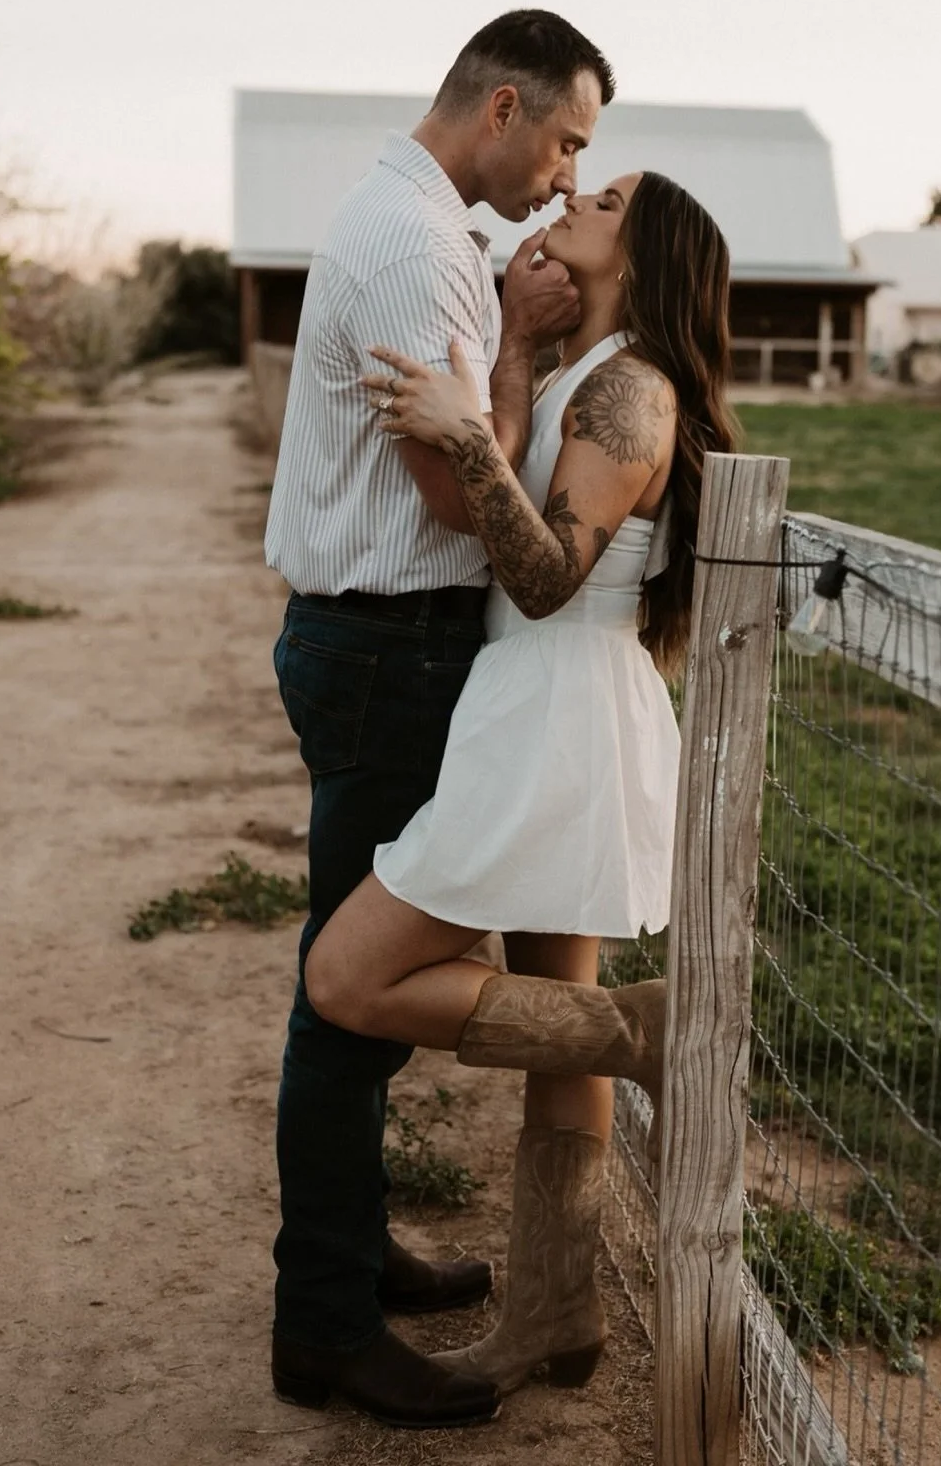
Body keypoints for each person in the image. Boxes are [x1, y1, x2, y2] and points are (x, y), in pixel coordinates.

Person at [304, 168, 737, 1394]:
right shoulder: (576, 376)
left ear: (641, 253)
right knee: (560, 1056)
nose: (569, 202)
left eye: (601, 201)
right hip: (534, 704)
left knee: (348, 976)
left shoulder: (633, 391)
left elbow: (547, 578)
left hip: (555, 716)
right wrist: (500, 379)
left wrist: (457, 435)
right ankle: (555, 1314)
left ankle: (643, 1029)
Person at [264, 10, 616, 1428]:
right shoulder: (420, 253)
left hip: (383, 646)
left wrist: (510, 338)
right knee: (348, 993)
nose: (568, 176)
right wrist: (523, 349)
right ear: (506, 104)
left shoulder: (425, 232)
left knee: (356, 977)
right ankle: (324, 1326)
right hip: (386, 648)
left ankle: (349, 1258)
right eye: (570, 141)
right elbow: (454, 497)